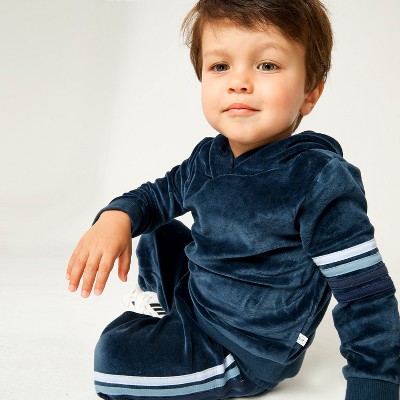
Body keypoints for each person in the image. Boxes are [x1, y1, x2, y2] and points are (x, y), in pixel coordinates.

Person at [66, 1, 400, 399]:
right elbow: (155, 197)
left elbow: (365, 292)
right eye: (220, 66)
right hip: (201, 302)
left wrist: (375, 382)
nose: (238, 82)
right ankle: (170, 314)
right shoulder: (208, 158)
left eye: (267, 65)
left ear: (310, 93)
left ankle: (197, 353)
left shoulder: (317, 179)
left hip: (247, 346)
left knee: (114, 355)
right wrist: (115, 217)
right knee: (159, 232)